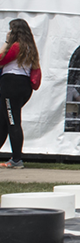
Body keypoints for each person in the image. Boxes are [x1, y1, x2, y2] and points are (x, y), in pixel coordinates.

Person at [0, 19, 41, 169]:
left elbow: (1, 59)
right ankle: (16, 158)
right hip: (23, 86)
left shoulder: (17, 46)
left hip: (11, 84)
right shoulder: (31, 48)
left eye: (11, 30)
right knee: (4, 121)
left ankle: (17, 159)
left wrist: (6, 41)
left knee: (12, 121)